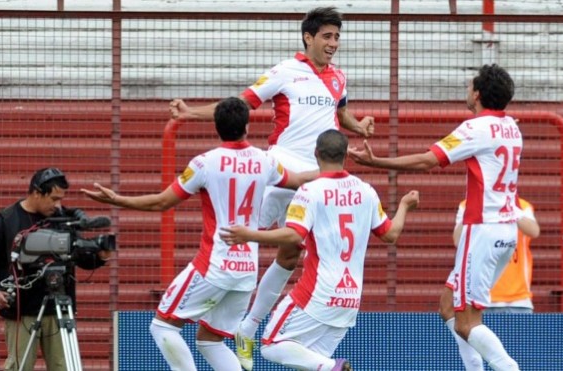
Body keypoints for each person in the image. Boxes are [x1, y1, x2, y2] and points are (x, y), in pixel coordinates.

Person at [169, 8, 374, 368]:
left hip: (315, 180)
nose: (333, 43)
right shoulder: (284, 71)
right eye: (327, 36)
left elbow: (339, 114)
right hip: (282, 172)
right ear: (308, 37)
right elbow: (240, 104)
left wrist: (359, 126)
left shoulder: (339, 78)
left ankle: (246, 329)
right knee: (241, 239)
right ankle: (211, 309)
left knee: (290, 253)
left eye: (337, 37)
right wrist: (190, 113)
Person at [82, 97, 314, 371]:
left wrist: (117, 200)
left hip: (213, 266)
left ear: (216, 127)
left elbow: (161, 202)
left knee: (162, 326)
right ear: (246, 127)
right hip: (245, 272)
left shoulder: (204, 163)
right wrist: (336, 173)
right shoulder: (266, 161)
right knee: (210, 341)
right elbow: (299, 180)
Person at [349, 64, 523, 370]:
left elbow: (427, 160)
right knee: (448, 307)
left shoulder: (476, 128)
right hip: (507, 231)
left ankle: (509, 368)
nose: (467, 90)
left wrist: (376, 162)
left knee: (467, 322)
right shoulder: (512, 127)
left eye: (470, 86)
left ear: (477, 94)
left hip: (482, 230)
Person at [220, 129, 419, 371]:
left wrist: (249, 234)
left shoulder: (310, 191)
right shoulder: (366, 191)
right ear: (346, 155)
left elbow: (294, 235)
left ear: (316, 154)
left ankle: (332, 366)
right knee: (309, 364)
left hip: (315, 294)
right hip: (349, 300)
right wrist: (404, 205)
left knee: (271, 345)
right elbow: (391, 234)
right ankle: (329, 367)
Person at [0, 167, 112, 371]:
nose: (57, 205)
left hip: (58, 309)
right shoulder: (7, 219)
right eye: (53, 199)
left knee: (63, 366)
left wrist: (101, 256)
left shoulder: (62, 219)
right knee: (19, 366)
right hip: (21, 311)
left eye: (61, 199)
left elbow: (80, 258)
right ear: (36, 192)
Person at [445, 197, 540, 370]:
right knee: (460, 322)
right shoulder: (466, 204)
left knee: (518, 356)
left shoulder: (521, 205)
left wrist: (506, 210)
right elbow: (458, 240)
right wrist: (475, 210)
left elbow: (534, 231)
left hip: (517, 300)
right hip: (481, 298)